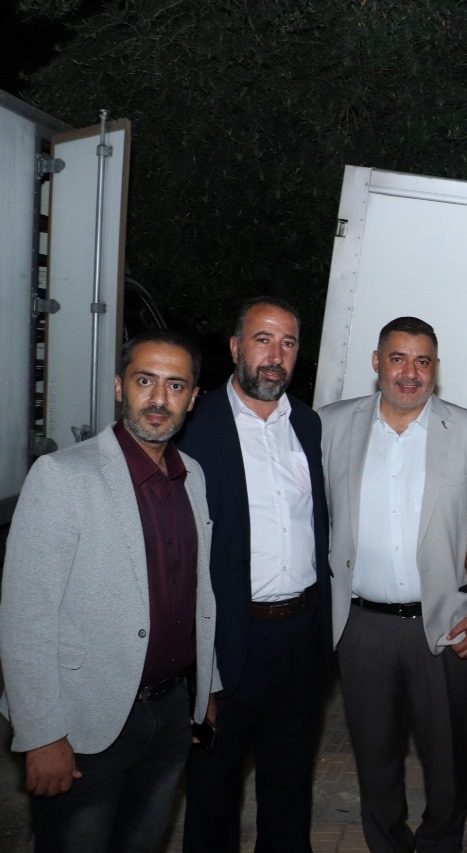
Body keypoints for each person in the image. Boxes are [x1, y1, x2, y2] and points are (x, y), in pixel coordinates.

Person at [0, 331, 218, 852]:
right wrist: (42, 734)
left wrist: (205, 691)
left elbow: (199, 596)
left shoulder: (193, 477)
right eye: (145, 381)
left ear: (192, 398)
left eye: (175, 385)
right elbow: (26, 618)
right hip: (83, 723)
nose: (159, 399)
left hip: (170, 714)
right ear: (120, 387)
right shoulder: (62, 475)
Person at [319, 316, 467, 853]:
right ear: (376, 362)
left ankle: (441, 842)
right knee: (374, 754)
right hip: (360, 626)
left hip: (445, 624)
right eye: (397, 358)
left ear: (436, 369)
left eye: (422, 361)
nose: (409, 373)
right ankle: (388, 844)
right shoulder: (329, 425)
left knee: (446, 757)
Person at [179, 296, 332, 852]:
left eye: (287, 343)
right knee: (213, 788)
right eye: (263, 339)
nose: (275, 355)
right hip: (226, 638)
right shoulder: (194, 425)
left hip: (301, 638)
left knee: (289, 782)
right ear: (235, 347)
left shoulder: (308, 424)